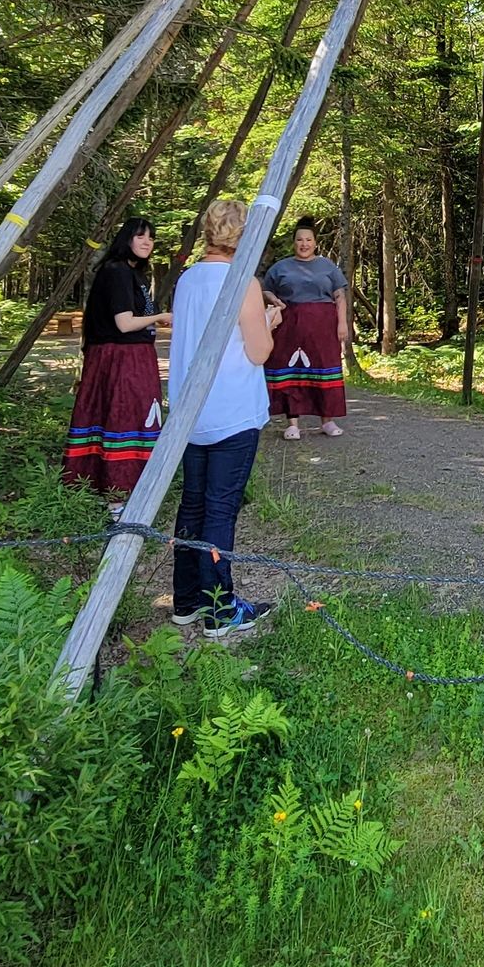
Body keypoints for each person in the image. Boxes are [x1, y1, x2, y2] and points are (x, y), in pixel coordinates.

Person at [167, 199, 284, 640]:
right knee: (220, 510)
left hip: (190, 412)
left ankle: (186, 600)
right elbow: (258, 351)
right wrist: (270, 321)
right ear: (244, 236)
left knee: (192, 504)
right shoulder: (243, 283)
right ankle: (221, 609)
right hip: (232, 410)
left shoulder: (187, 279)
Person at [62, 216, 162, 502]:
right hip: (120, 358)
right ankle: (118, 492)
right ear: (126, 239)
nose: (147, 242)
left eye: (151, 237)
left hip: (133, 356)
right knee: (122, 418)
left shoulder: (134, 274)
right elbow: (124, 323)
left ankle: (129, 487)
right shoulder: (117, 271)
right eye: (140, 236)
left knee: (132, 417)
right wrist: (162, 317)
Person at [260, 220, 351, 441]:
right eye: (299, 240)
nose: (304, 244)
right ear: (293, 243)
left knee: (324, 367)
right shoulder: (281, 267)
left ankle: (327, 420)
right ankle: (292, 423)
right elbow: (264, 290)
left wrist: (342, 323)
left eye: (308, 240)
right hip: (289, 326)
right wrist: (274, 299)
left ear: (315, 243)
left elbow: (340, 296)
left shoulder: (328, 266)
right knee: (289, 369)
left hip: (323, 326)